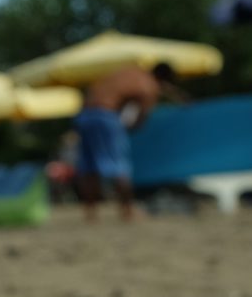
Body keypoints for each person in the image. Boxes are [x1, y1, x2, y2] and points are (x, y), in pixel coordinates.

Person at [74, 63, 185, 221]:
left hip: (85, 115)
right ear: (164, 79)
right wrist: (130, 128)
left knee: (90, 166)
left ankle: (90, 213)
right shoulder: (149, 85)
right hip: (106, 116)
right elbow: (141, 117)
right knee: (119, 165)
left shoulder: (130, 71)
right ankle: (127, 211)